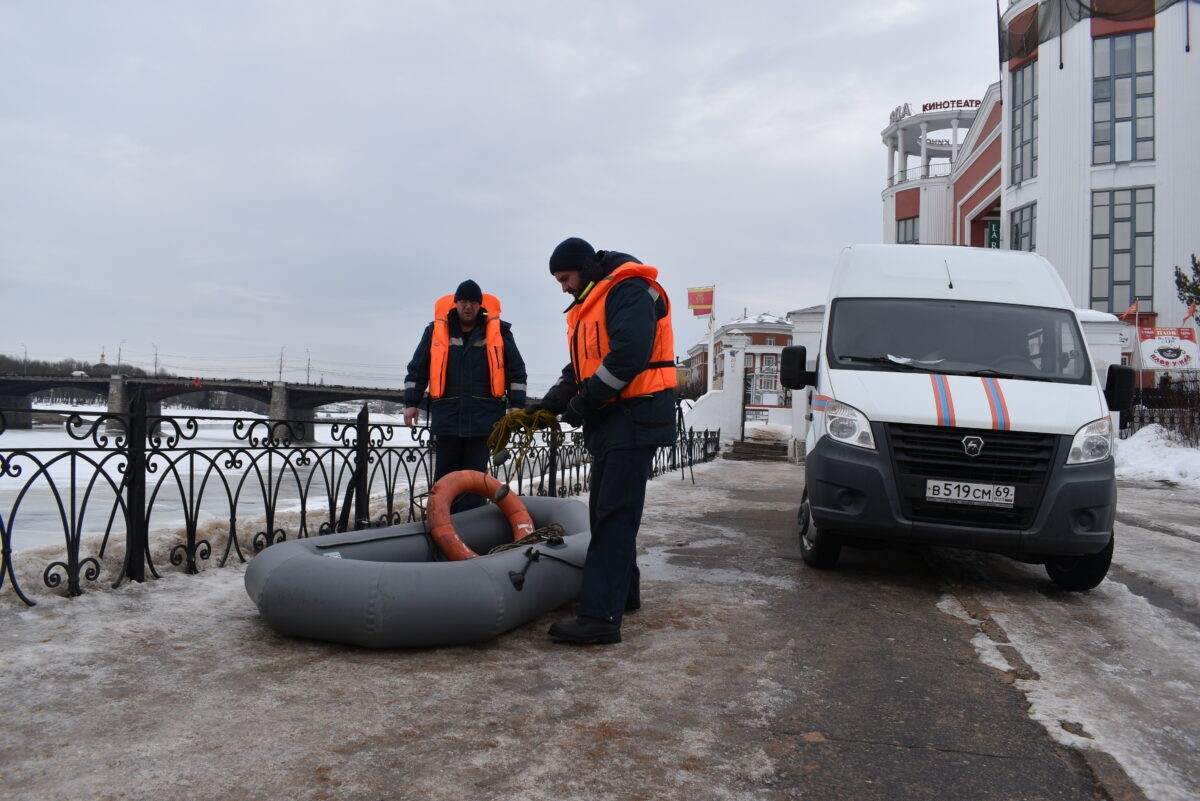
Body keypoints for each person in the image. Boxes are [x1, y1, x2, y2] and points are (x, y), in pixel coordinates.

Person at [532, 237, 677, 645]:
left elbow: (628, 357)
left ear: (584, 268)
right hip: (617, 420)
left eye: (564, 278)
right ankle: (622, 594)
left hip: (635, 416)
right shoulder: (593, 300)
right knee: (608, 514)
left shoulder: (626, 290)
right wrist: (551, 402)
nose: (562, 287)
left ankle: (600, 616)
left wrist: (584, 402)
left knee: (613, 517)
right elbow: (581, 365)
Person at [404, 279, 527, 512]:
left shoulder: (500, 331)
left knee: (474, 483)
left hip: (483, 422)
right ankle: (440, 529)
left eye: (473, 301)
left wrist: (516, 406)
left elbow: (517, 371)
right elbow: (417, 369)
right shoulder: (434, 331)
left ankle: (471, 534)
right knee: (444, 481)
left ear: (480, 305)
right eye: (463, 301)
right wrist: (411, 403)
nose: (468, 306)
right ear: (455, 303)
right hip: (447, 421)